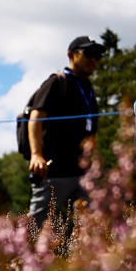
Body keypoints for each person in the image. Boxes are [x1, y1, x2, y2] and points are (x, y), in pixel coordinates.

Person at [27, 35, 104, 235]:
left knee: (93, 224)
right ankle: (23, 263)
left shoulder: (88, 88)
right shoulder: (57, 82)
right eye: (88, 53)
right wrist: (36, 154)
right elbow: (36, 117)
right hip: (53, 170)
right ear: (71, 55)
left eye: (97, 56)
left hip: (82, 171)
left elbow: (91, 130)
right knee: (38, 225)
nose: (93, 59)